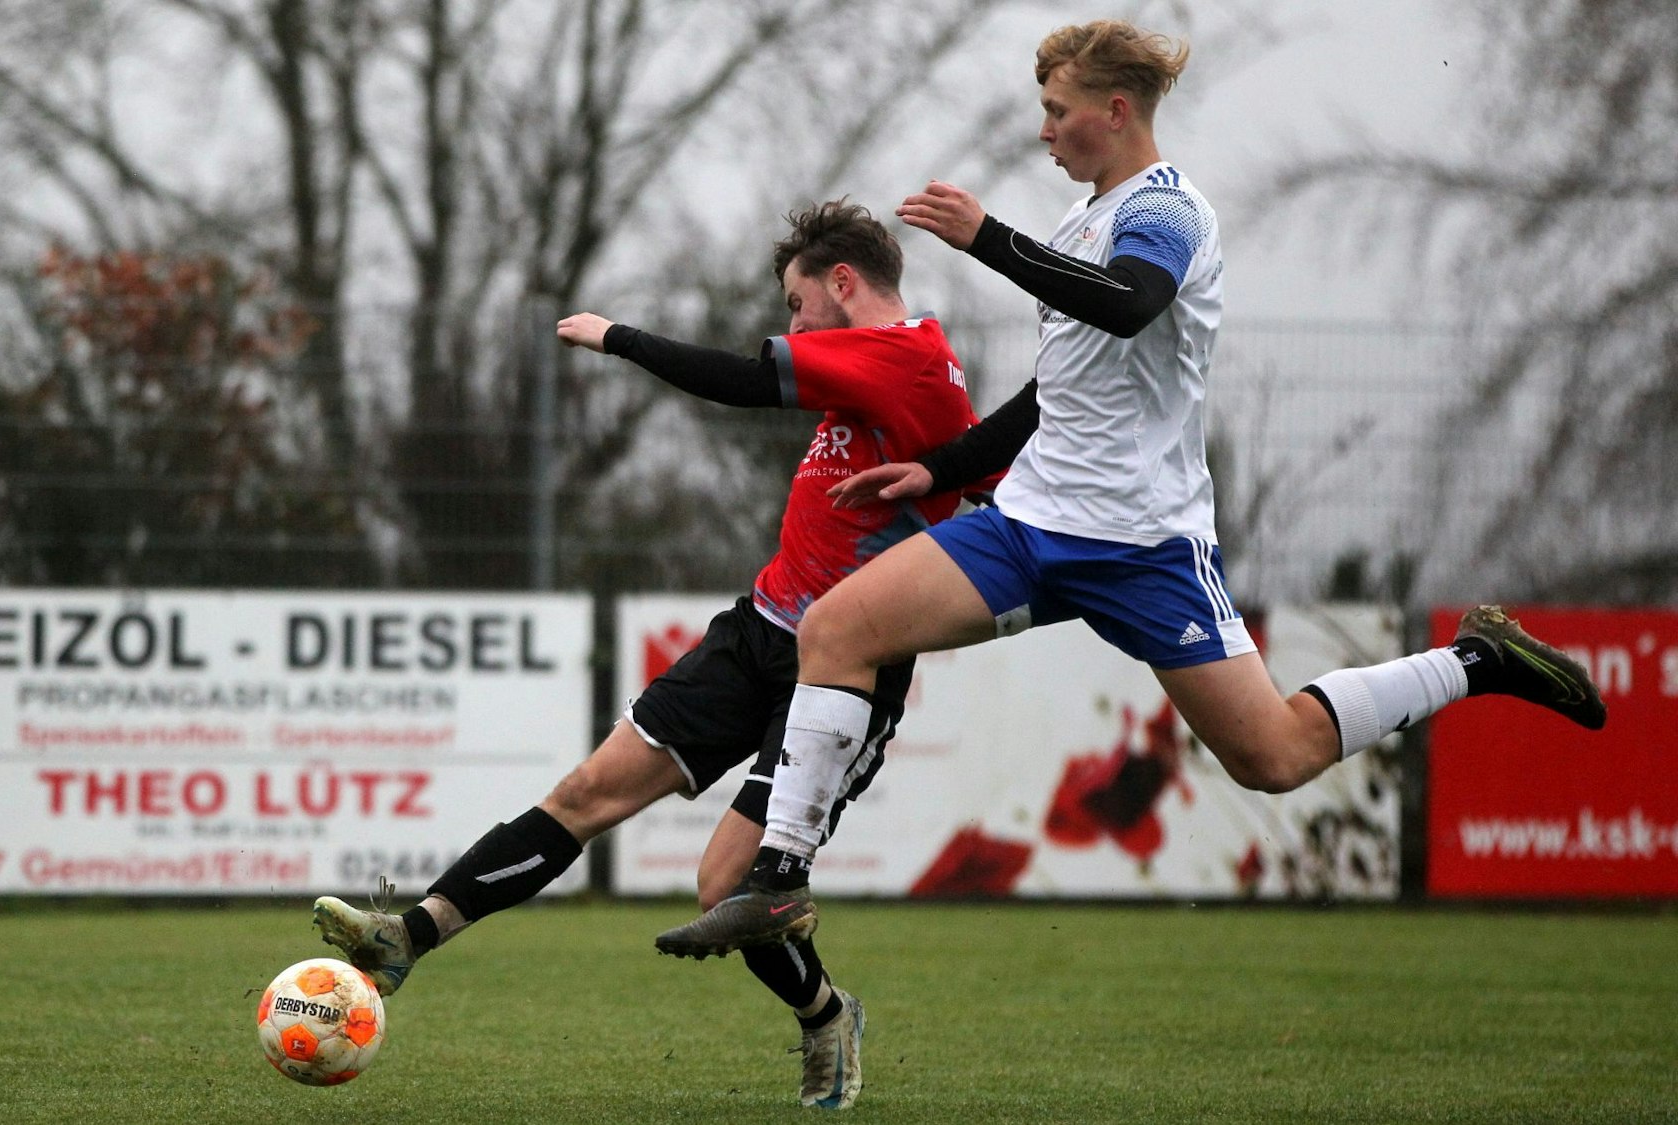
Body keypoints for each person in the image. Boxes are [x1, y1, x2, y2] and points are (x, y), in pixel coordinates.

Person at [653, 18, 1606, 958]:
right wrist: (940, 469)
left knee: (1273, 756)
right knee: (835, 629)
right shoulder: (1084, 219)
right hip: (1029, 527)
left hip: (1143, 544)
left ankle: (1475, 661)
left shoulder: (1170, 210)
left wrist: (989, 237)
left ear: (1114, 111)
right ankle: (778, 880)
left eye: (1056, 110)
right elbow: (1056, 389)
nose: (1044, 129)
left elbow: (1129, 305)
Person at [310, 199, 1034, 1110]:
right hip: (757, 630)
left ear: (842, 284)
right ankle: (409, 935)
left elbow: (739, 380)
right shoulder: (903, 377)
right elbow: (989, 476)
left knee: (724, 882)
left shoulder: (905, 353)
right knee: (586, 795)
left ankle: (825, 1016)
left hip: (843, 668)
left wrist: (621, 338)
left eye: (796, 301)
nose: (791, 322)